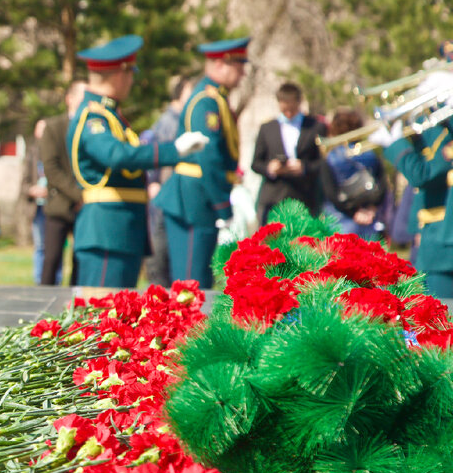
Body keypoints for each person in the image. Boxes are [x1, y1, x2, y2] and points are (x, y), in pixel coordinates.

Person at [68, 35, 208, 288]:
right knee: (99, 317)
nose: (132, 80)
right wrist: (174, 150)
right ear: (119, 74)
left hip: (122, 231)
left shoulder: (110, 115)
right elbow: (117, 156)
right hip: (106, 232)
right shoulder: (93, 118)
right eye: (130, 73)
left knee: (118, 319)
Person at [153, 37, 249, 288]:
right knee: (190, 285)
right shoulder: (205, 101)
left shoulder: (215, 97)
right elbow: (209, 156)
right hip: (194, 200)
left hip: (199, 199)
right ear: (220, 65)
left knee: (199, 283)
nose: (243, 73)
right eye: (238, 67)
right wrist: (221, 204)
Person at [370, 97, 453, 297]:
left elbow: (424, 174)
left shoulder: (445, 132)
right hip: (433, 239)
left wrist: (396, 145)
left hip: (443, 247)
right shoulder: (438, 127)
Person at [250, 81, 327, 223]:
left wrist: (304, 167)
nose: (289, 114)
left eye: (292, 109)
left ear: (299, 102)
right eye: (285, 110)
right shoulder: (267, 128)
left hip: (305, 198)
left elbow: (324, 163)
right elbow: (255, 163)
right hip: (274, 198)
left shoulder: (316, 126)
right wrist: (270, 168)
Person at [143, 75, 193, 287]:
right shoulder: (168, 123)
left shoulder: (180, 121)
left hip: (171, 198)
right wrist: (153, 180)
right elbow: (153, 153)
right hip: (165, 200)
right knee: (161, 261)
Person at [39, 80, 87, 285]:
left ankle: (76, 309)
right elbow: (51, 169)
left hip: (85, 208)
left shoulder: (93, 127)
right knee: (51, 259)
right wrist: (79, 195)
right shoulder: (53, 127)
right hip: (60, 204)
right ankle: (42, 310)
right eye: (82, 95)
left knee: (81, 262)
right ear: (69, 99)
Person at [320, 107, 393, 240]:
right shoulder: (370, 154)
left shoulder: (330, 158)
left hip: (340, 221)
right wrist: (372, 208)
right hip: (369, 219)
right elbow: (382, 185)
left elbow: (330, 192)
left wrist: (353, 212)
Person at [20, 118, 48, 282]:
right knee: (40, 245)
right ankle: (40, 280)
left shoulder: (57, 152)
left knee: (53, 247)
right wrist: (32, 190)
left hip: (52, 206)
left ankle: (54, 279)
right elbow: (23, 183)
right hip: (36, 207)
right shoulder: (31, 154)